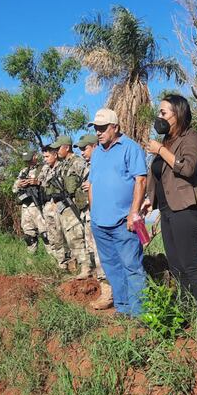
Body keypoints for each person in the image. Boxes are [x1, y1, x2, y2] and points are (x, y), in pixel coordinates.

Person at [140, 94, 197, 311]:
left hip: (186, 209)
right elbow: (158, 174)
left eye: (163, 112)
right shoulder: (166, 141)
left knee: (191, 265)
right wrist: (149, 200)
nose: (158, 117)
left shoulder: (192, 138)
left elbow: (187, 168)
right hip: (167, 210)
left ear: (178, 114)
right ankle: (187, 310)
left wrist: (160, 151)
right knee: (177, 266)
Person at [87, 108, 148, 317]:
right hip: (99, 223)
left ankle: (140, 313)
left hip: (124, 222)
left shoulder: (131, 148)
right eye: (96, 128)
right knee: (112, 267)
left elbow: (141, 180)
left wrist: (133, 213)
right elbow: (92, 184)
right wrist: (93, 213)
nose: (99, 132)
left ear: (115, 127)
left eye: (103, 128)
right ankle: (123, 308)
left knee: (132, 267)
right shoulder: (96, 154)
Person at [75, 133, 112, 309]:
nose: (82, 152)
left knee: (102, 254)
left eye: (85, 148)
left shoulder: (104, 163)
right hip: (90, 214)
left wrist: (95, 185)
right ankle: (104, 289)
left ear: (95, 147)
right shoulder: (89, 166)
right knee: (93, 252)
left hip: (104, 214)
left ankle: (109, 294)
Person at [52, 135, 92, 280]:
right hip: (65, 206)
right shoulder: (62, 165)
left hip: (76, 205)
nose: (56, 151)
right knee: (70, 238)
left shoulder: (77, 162)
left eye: (58, 148)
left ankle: (86, 267)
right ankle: (82, 265)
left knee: (77, 236)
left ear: (66, 147)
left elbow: (88, 178)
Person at [12, 151, 51, 255]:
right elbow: (14, 189)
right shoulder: (23, 171)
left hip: (39, 205)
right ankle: (31, 259)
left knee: (46, 233)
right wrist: (20, 184)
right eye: (26, 160)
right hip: (26, 206)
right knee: (29, 235)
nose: (28, 162)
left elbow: (51, 185)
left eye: (30, 159)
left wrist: (37, 182)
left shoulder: (44, 168)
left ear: (35, 157)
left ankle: (54, 258)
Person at [38, 146, 69, 270]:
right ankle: (60, 261)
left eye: (47, 156)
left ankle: (69, 260)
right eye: (44, 157)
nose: (45, 159)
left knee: (62, 233)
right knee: (52, 234)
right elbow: (39, 181)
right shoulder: (45, 169)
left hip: (59, 204)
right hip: (47, 205)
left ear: (55, 155)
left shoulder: (61, 167)